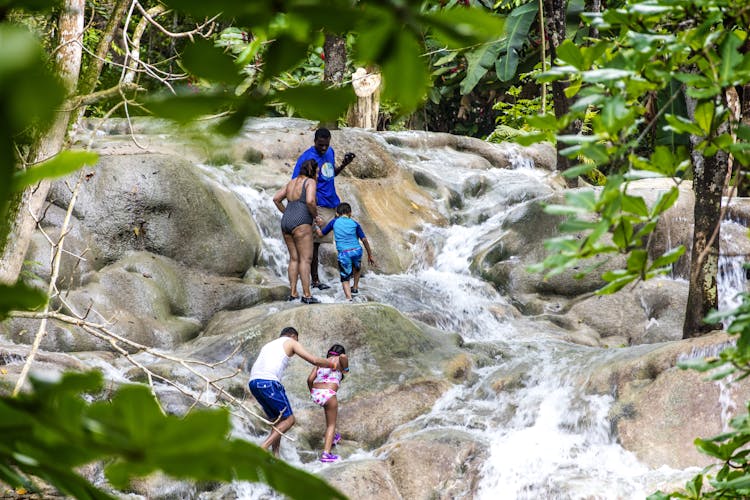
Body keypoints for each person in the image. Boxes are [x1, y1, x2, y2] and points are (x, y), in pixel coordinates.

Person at [248, 326, 341, 456]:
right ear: (292, 336)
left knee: (278, 421)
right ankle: (262, 449)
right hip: (268, 382)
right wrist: (332, 364)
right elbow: (313, 360)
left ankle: (275, 457)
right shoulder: (291, 341)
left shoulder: (268, 345)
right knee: (289, 420)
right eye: (297, 339)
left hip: (253, 383)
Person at [292, 128, 356, 291]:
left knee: (321, 243)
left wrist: (343, 165)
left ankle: (337, 277)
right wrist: (306, 205)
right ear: (315, 141)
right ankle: (314, 280)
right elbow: (297, 182)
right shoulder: (307, 157)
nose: (323, 148)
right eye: (321, 145)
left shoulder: (330, 152)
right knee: (314, 243)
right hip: (317, 204)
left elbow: (330, 174)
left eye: (326, 145)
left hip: (331, 202)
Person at [273, 159, 320, 304]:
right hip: (301, 222)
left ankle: (293, 293)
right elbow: (310, 201)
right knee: (305, 260)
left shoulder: (291, 182)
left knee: (294, 259)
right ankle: (307, 295)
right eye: (317, 172)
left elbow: (276, 199)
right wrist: (315, 216)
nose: (318, 175)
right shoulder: (309, 182)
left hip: (286, 221)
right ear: (312, 171)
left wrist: (287, 212)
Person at [315, 202, 375, 301]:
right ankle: (355, 287)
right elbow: (364, 239)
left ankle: (349, 298)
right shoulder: (355, 223)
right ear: (350, 213)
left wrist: (316, 226)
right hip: (357, 250)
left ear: (337, 214)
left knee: (345, 277)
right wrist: (370, 255)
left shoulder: (334, 222)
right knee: (357, 267)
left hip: (344, 253)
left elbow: (321, 234)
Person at [307, 343, 349, 463]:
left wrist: (312, 392)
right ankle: (326, 454)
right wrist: (341, 360)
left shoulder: (321, 363)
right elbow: (344, 359)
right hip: (329, 393)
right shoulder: (339, 361)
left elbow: (310, 379)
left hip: (316, 392)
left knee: (328, 415)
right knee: (331, 424)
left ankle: (333, 437)